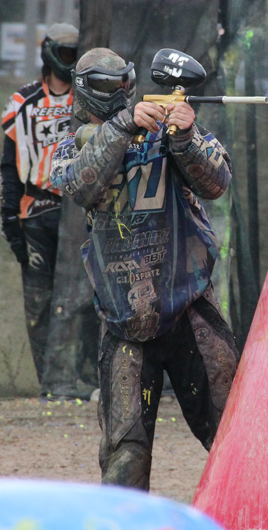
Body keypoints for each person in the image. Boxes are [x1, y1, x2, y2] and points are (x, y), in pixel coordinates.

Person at [50, 47, 239, 490]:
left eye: (123, 83)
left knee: (233, 432)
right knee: (126, 455)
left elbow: (218, 183)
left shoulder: (167, 132)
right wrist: (123, 125)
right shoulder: (73, 145)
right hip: (125, 320)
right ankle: (126, 526)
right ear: (85, 91)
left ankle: (260, 520)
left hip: (190, 308)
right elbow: (79, 185)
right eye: (106, 85)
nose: (117, 92)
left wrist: (185, 138)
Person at [0, 23, 79, 394]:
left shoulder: (90, 99)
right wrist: (9, 219)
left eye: (76, 55)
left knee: (84, 300)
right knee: (38, 303)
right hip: (36, 211)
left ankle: (83, 378)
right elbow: (9, 165)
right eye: (66, 54)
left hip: (80, 211)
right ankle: (51, 383)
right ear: (50, 53)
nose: (71, 62)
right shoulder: (23, 102)